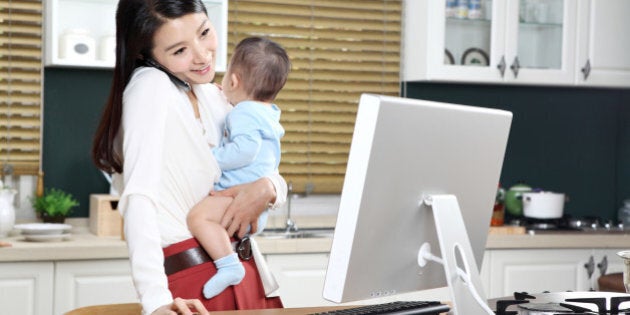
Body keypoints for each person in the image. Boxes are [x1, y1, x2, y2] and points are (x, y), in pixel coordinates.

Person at [91, 1, 287, 314]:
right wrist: (155, 301)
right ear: (148, 55)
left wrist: (271, 187)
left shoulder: (212, 94)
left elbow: (262, 159)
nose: (202, 55)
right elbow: (139, 198)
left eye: (204, 33)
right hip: (197, 283)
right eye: (180, 50)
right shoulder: (150, 87)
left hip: (244, 273)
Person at [187, 36, 290, 300]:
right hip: (254, 205)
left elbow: (245, 151)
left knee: (198, 219)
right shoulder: (266, 113)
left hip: (237, 199)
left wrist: (210, 156)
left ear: (233, 81)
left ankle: (228, 266)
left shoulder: (242, 113)